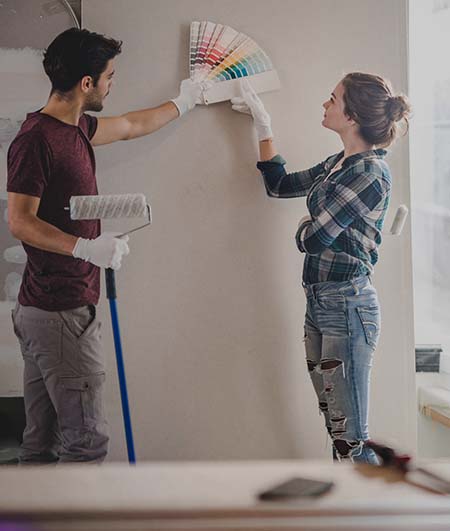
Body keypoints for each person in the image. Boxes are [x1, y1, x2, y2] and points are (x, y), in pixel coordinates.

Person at [7, 28, 203, 464]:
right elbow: (20, 220)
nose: (114, 83)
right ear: (87, 84)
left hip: (46, 310)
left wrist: (187, 99)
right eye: (110, 76)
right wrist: (84, 248)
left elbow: (133, 125)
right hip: (60, 312)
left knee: (41, 445)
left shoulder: (74, 128)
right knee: (86, 444)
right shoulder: (36, 140)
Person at [231, 74, 411, 463]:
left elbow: (314, 240)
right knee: (337, 429)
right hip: (320, 302)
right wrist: (262, 124)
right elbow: (278, 186)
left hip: (347, 306)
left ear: (352, 115)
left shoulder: (369, 174)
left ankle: (371, 518)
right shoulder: (338, 163)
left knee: (351, 439)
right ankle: (349, 515)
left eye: (333, 99)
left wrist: (304, 229)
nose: (324, 105)